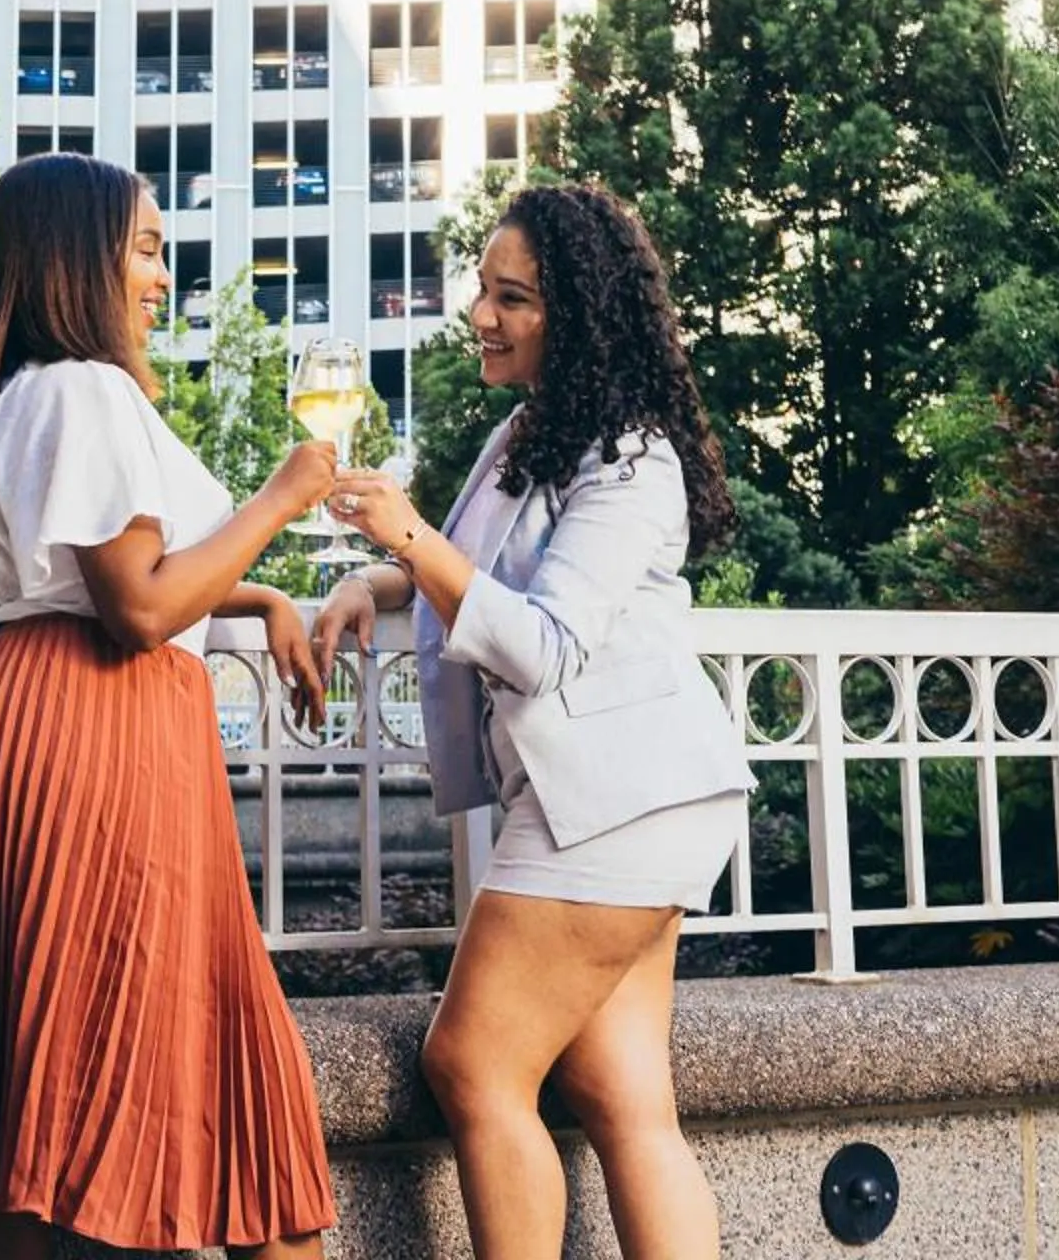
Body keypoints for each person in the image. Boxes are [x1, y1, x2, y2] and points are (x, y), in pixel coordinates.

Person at [0, 152, 339, 1259]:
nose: (157, 277)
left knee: (29, 1113)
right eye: (142, 248)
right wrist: (286, 499)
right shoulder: (81, 391)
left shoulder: (17, 399)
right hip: (96, 728)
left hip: (32, 722)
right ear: (72, 259)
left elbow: (91, 571)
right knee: (145, 1075)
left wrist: (260, 591)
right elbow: (135, 605)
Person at [315, 182, 751, 1260]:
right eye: (482, 290)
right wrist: (373, 585)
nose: (480, 316)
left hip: (612, 802)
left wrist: (409, 537)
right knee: (619, 1091)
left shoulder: (631, 456)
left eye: (512, 297)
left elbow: (544, 643)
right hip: (626, 798)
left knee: (472, 1062)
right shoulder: (533, 431)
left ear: (580, 314)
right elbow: (475, 578)